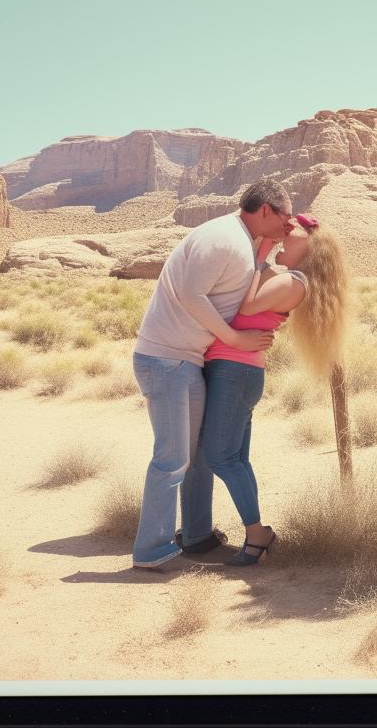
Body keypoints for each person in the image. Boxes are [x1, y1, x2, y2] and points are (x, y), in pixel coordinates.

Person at [130, 179, 294, 570]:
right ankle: (150, 551)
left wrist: (267, 252)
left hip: (187, 360)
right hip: (166, 359)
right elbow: (191, 294)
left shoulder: (242, 241)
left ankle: (198, 536)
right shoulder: (223, 237)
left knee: (197, 457)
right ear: (266, 210)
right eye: (285, 215)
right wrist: (235, 337)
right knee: (171, 459)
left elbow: (243, 283)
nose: (289, 223)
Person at [196, 212, 349, 566]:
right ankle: (255, 536)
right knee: (235, 457)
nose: (283, 234)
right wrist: (263, 255)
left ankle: (257, 535)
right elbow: (251, 290)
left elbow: (246, 305)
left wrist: (264, 248)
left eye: (290, 232)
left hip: (236, 372)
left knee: (220, 456)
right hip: (237, 370)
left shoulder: (294, 281)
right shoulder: (286, 278)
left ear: (311, 244)